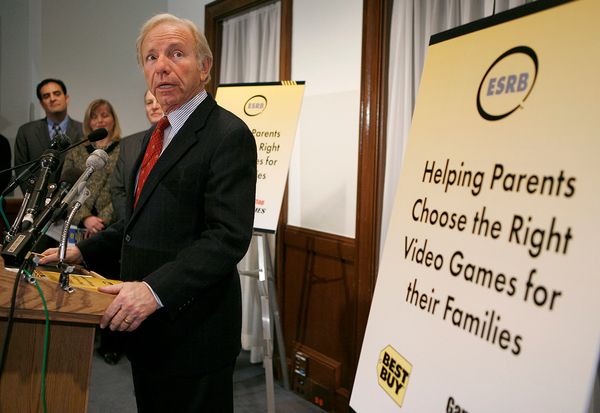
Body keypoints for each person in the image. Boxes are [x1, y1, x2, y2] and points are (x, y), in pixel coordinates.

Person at [40, 13, 257, 412]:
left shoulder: (228, 134)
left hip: (194, 332)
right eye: (151, 57)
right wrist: (82, 252)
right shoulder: (152, 138)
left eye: (177, 53)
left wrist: (154, 290)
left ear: (204, 67)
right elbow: (135, 224)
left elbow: (226, 237)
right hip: (149, 329)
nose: (162, 66)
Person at [62, 99, 121, 240]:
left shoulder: (125, 149)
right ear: (88, 122)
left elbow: (124, 190)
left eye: (105, 115)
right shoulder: (76, 150)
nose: (99, 120)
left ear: (113, 119)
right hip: (76, 226)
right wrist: (85, 218)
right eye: (94, 117)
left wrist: (101, 221)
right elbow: (66, 188)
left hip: (111, 226)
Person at [13, 78, 83, 189]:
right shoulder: (26, 132)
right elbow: (22, 171)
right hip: (36, 201)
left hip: (74, 202)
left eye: (57, 93)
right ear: (41, 103)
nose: (52, 98)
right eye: (46, 96)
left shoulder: (84, 131)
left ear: (66, 98)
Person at [110, 90, 162, 222]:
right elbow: (117, 188)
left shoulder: (179, 141)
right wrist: (128, 221)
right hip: (130, 225)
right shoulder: (128, 144)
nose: (154, 106)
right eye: (149, 102)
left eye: (158, 100)